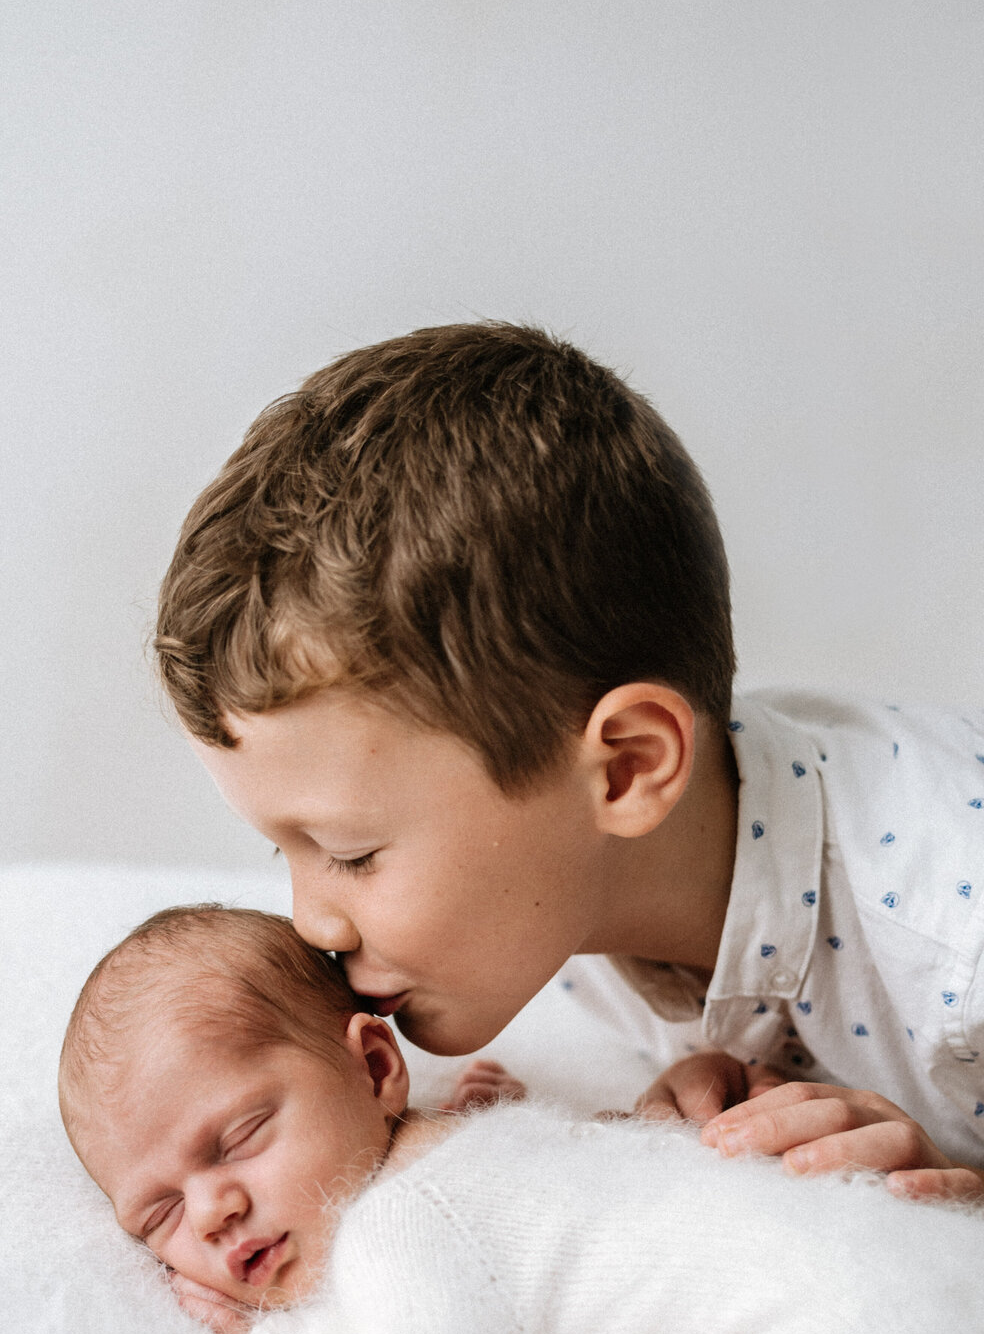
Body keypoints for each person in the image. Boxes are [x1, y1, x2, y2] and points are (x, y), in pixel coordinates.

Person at [153, 321, 984, 1192]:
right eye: (281, 849)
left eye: (353, 854)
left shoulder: (952, 949)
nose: (312, 923)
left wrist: (956, 1211)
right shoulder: (574, 907)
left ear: (626, 769)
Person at [58, 905, 984, 1334]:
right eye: (159, 1218)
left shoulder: (405, 1222)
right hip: (926, 1283)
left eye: (240, 1137)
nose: (213, 1210)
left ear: (379, 1066)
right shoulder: (479, 1147)